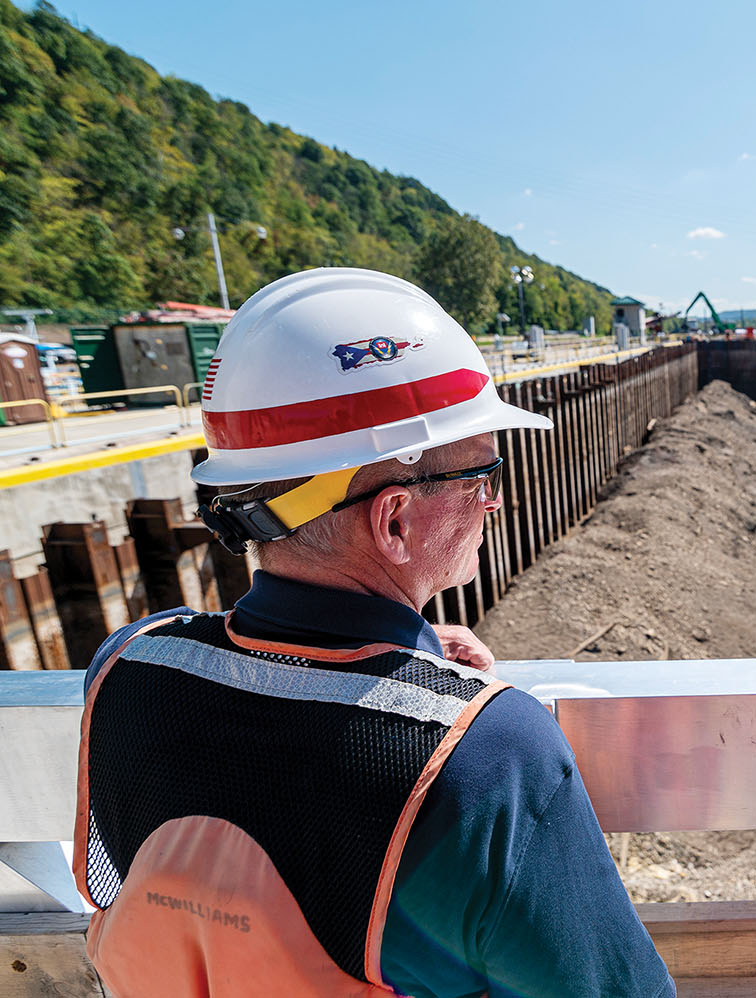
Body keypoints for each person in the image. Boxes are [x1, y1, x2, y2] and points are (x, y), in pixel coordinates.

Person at [72, 268, 674, 997]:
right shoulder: (488, 755)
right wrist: (464, 711)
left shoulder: (127, 666)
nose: (495, 502)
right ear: (394, 520)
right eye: (480, 477)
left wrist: (424, 669)